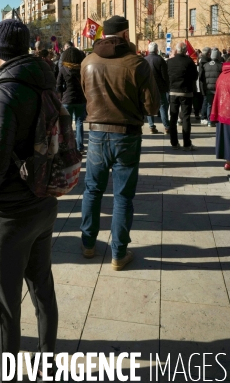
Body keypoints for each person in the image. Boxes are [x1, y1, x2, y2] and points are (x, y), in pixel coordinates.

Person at [0, 19, 59, 383]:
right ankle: (48, 364)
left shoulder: (4, 92)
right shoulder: (42, 76)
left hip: (8, 213)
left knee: (5, 309)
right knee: (42, 291)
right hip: (44, 200)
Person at [80, 16, 159, 270]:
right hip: (126, 134)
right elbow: (152, 106)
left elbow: (85, 95)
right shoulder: (137, 63)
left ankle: (88, 244)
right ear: (125, 35)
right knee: (123, 196)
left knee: (92, 190)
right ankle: (118, 253)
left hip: (95, 133)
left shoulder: (88, 61)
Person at [167, 42, 198, 150]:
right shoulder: (189, 61)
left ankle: (174, 143)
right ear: (185, 51)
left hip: (173, 92)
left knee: (173, 117)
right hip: (186, 92)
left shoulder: (169, 62)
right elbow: (195, 76)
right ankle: (186, 143)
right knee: (186, 118)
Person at [56, 46, 86, 151]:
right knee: (79, 123)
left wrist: (61, 95)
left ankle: (68, 146)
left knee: (66, 125)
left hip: (67, 100)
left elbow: (58, 85)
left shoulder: (63, 69)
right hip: (80, 100)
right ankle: (79, 146)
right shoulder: (82, 68)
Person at [144, 41, 170, 134]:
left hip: (148, 87)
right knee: (163, 107)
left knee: (149, 106)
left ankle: (151, 126)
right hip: (160, 88)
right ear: (156, 50)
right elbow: (165, 76)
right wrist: (167, 86)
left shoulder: (144, 60)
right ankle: (167, 127)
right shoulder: (160, 60)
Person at [200, 48, 223, 126]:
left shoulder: (206, 65)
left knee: (209, 104)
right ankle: (216, 119)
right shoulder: (220, 66)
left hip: (208, 87)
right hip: (217, 88)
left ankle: (210, 120)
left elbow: (202, 77)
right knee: (217, 104)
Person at [198, 47, 211, 125]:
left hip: (205, 83)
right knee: (205, 100)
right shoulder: (204, 61)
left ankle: (203, 116)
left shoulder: (203, 60)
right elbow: (201, 75)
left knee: (205, 99)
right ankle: (203, 116)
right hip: (205, 84)